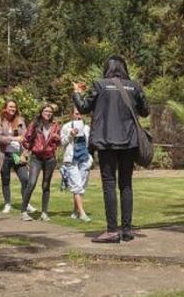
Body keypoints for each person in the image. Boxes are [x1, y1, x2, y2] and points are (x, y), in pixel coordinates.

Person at [73, 55, 149, 244]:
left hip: (106, 141)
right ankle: (127, 229)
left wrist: (76, 92)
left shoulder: (99, 84)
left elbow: (83, 108)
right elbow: (145, 111)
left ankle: (112, 230)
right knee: (126, 184)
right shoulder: (134, 86)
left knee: (109, 184)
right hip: (130, 142)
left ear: (106, 68)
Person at [20, 104, 61, 221]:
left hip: (50, 158)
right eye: (46, 111)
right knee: (32, 183)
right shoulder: (34, 125)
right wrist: (32, 148)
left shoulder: (55, 126)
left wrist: (57, 139)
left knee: (46, 184)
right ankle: (23, 211)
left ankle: (44, 212)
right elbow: (25, 140)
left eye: (50, 112)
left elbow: (58, 143)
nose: (48, 113)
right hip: (36, 158)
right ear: (41, 112)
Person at [0, 99, 30, 214]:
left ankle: (26, 203)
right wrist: (13, 138)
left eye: (14, 107)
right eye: (10, 107)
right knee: (6, 180)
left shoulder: (20, 121)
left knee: (25, 178)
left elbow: (25, 137)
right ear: (5, 108)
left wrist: (25, 152)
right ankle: (7, 203)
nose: (12, 109)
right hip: (4, 154)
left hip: (17, 154)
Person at [60, 107, 93, 222]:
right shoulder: (66, 127)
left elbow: (90, 143)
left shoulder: (86, 128)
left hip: (84, 159)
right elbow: (62, 142)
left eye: (80, 114)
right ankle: (82, 214)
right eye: (76, 114)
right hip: (71, 160)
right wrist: (71, 135)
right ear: (71, 114)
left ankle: (76, 210)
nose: (78, 116)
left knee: (81, 187)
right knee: (77, 186)